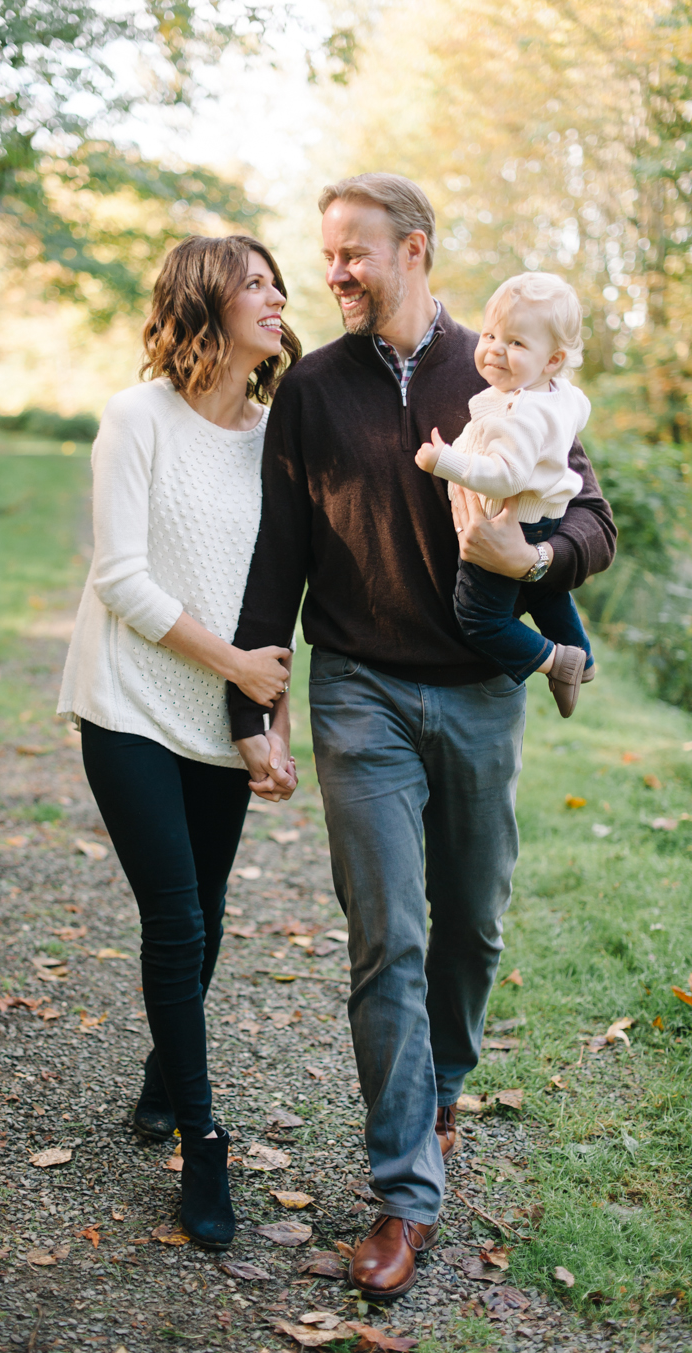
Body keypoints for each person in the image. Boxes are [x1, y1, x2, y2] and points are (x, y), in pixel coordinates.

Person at [228, 173, 615, 1297]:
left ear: (415, 250)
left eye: (354, 253)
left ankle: (443, 1086)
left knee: (475, 923)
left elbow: (590, 515)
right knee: (386, 937)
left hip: (480, 691)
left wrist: (539, 564)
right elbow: (278, 554)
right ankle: (403, 1193)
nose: (335, 273)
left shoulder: (501, 365)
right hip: (361, 693)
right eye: (326, 255)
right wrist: (255, 705)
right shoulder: (311, 388)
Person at [58, 234, 300, 1250]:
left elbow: (280, 595)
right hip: (125, 704)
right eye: (255, 282)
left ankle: (163, 1082)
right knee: (178, 922)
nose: (280, 294)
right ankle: (202, 1139)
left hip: (218, 723)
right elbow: (120, 581)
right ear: (206, 304)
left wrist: (267, 720)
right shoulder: (137, 418)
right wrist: (235, 667)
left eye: (277, 278)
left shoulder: (279, 438)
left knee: (207, 911)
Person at [415, 271, 595, 718]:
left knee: (480, 617)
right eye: (491, 334)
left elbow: (507, 476)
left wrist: (444, 463)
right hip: (545, 518)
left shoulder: (520, 410)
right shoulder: (560, 396)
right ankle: (584, 654)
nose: (495, 348)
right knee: (545, 594)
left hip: (507, 521)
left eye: (516, 343)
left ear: (553, 359)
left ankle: (559, 662)